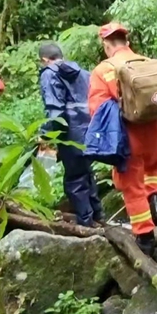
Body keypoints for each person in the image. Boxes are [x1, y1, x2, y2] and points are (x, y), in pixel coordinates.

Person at [88, 23, 157, 254]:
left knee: (132, 186)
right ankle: (155, 199)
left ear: (106, 45)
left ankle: (145, 238)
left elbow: (97, 111)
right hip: (154, 133)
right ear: (127, 42)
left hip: (128, 137)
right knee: (152, 168)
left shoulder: (103, 70)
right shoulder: (149, 64)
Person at [38, 42, 103, 227]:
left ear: (44, 59)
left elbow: (55, 110)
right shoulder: (84, 73)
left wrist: (46, 134)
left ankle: (86, 224)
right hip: (90, 131)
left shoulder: (49, 74)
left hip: (70, 134)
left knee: (74, 180)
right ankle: (99, 217)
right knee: (87, 174)